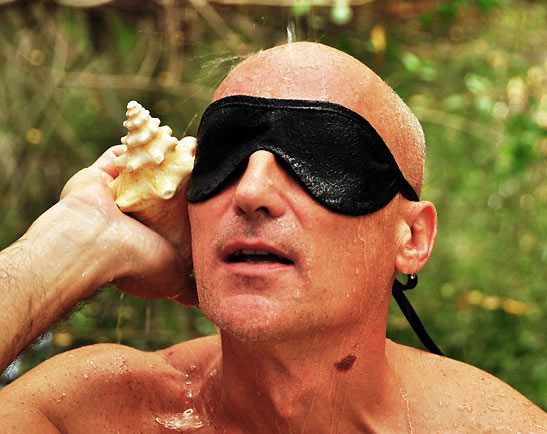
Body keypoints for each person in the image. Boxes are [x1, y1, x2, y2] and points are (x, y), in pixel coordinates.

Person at [0, 42, 545, 433]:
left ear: (413, 237)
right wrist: (72, 243)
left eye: (320, 155)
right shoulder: (87, 415)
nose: (252, 190)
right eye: (225, 155)